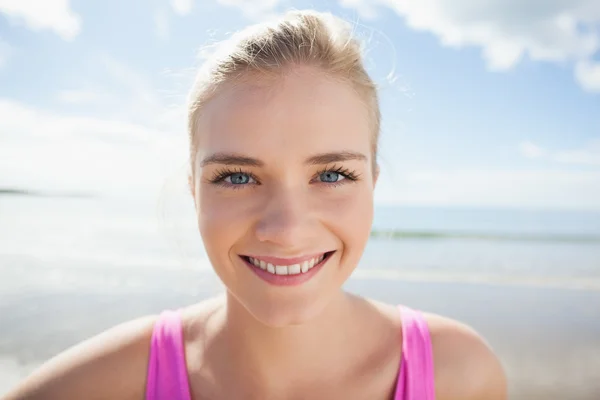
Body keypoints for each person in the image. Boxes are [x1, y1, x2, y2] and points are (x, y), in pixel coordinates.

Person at [4, 9, 507, 400]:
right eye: (237, 176)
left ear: (372, 183)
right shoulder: (100, 384)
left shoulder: (459, 373)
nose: (286, 229)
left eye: (332, 174)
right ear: (193, 189)